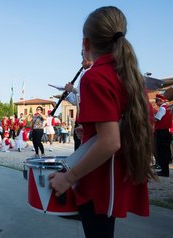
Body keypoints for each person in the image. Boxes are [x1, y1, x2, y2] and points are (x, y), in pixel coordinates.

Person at [49, 6, 155, 238]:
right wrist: (88, 131)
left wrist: (68, 178)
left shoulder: (95, 76)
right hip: (116, 170)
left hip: (100, 176)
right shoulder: (128, 74)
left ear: (85, 43)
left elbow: (110, 142)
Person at [65, 55, 93, 150]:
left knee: (83, 147)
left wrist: (73, 89)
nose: (81, 63)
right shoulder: (84, 73)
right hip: (80, 116)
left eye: (83, 59)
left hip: (87, 117)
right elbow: (77, 100)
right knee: (78, 144)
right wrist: (69, 92)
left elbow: (85, 97)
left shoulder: (90, 73)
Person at [154, 94, 172, 177]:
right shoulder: (168, 107)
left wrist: (151, 116)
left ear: (160, 101)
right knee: (165, 151)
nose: (156, 102)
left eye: (157, 100)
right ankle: (165, 170)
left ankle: (164, 171)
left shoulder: (162, 108)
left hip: (161, 132)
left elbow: (157, 119)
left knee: (161, 151)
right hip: (166, 132)